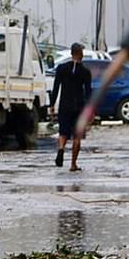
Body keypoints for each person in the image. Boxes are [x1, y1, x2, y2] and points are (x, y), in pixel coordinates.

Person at [50, 43, 92, 171]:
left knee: (63, 132)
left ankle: (61, 149)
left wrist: (52, 104)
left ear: (71, 53)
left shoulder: (61, 68)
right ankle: (73, 164)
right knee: (77, 136)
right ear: (80, 54)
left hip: (64, 105)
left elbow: (56, 87)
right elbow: (88, 91)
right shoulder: (85, 71)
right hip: (78, 107)